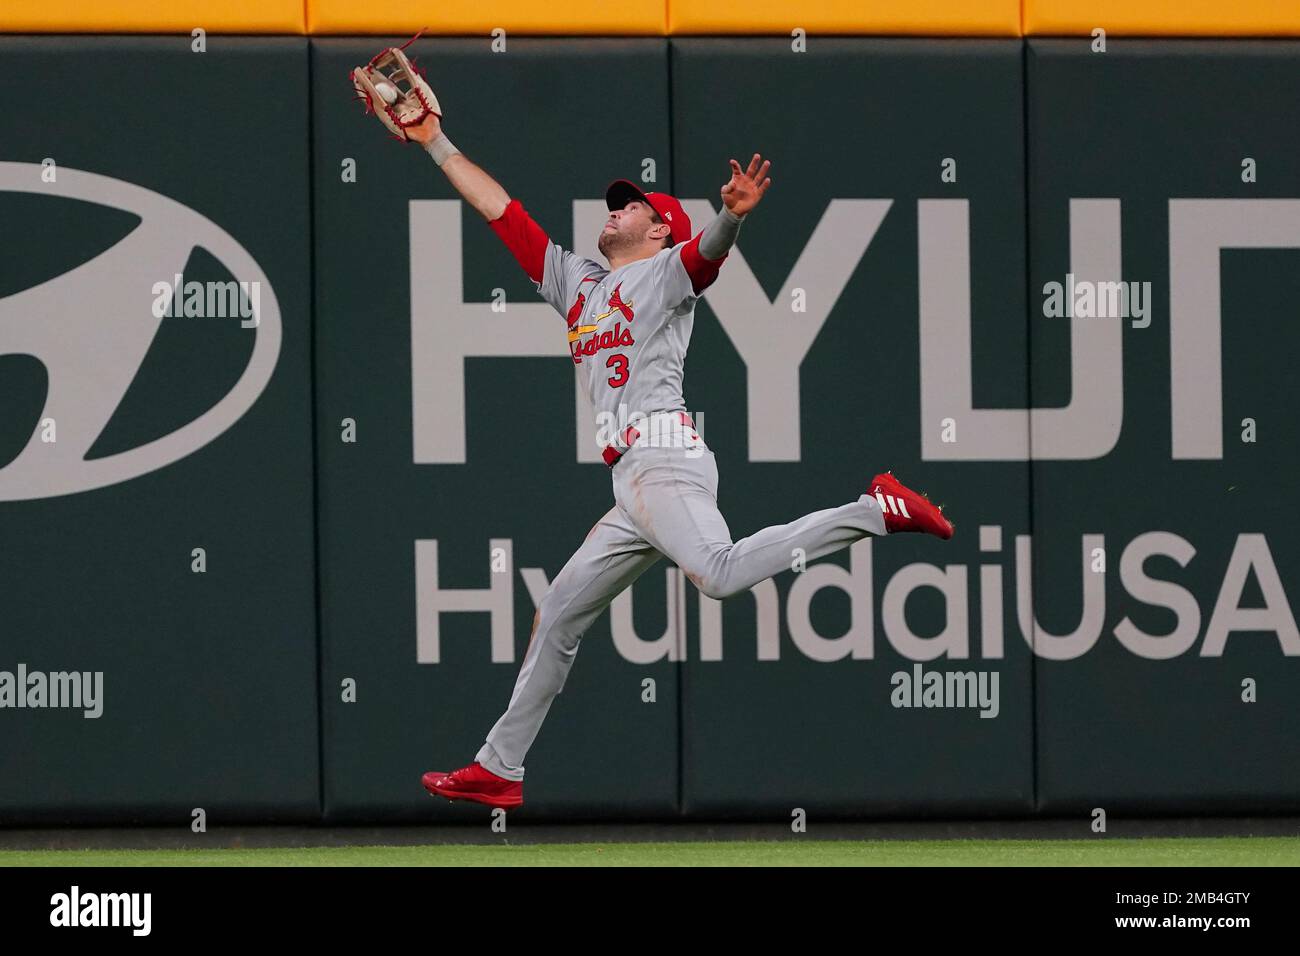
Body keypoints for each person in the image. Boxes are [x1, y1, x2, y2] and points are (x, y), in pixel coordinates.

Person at [400, 113, 954, 809]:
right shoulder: (578, 284)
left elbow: (706, 256)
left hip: (665, 457)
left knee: (717, 575)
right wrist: (434, 143)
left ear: (660, 229)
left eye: (630, 205)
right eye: (614, 203)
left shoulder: (665, 273)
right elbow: (501, 212)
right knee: (560, 613)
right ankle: (501, 766)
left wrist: (729, 218)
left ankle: (874, 509)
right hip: (632, 482)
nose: (615, 210)